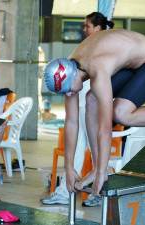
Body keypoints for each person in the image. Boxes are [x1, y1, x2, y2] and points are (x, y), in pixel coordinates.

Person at [43, 29, 145, 197]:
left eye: (67, 90)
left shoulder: (97, 69)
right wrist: (69, 168)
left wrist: (100, 174)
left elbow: (105, 129)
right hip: (129, 62)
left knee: (120, 113)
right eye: (63, 93)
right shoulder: (69, 67)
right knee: (91, 100)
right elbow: (71, 122)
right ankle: (98, 167)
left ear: (74, 77)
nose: (68, 95)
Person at [41, 12, 114, 205]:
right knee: (77, 148)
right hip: (80, 104)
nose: (84, 29)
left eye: (87, 26)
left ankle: (100, 191)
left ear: (98, 28)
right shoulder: (83, 48)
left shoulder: (102, 50)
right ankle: (65, 192)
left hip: (95, 106)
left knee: (98, 149)